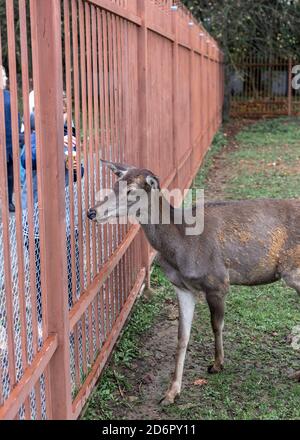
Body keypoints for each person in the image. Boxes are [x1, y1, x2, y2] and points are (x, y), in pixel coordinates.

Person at [20, 101, 84, 323]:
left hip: (64, 218)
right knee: (42, 271)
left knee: (68, 267)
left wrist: (77, 169)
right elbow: (28, 159)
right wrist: (58, 145)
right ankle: (43, 318)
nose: (61, 117)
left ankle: (68, 309)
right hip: (38, 220)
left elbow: (77, 170)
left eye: (64, 112)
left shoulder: (70, 137)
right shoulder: (36, 137)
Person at [2, 66, 15, 212]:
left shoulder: (8, 95)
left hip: (10, 141)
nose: (6, 78)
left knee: (10, 172)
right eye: (3, 75)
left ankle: (9, 201)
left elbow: (15, 117)